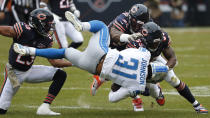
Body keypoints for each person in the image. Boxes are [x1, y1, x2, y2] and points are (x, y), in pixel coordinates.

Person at [13, 11, 169, 109]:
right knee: (65, 52)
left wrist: (127, 37)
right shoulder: (136, 85)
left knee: (101, 26)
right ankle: (30, 50)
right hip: (91, 67)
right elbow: (112, 98)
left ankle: (81, 25)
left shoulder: (144, 55)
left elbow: (130, 51)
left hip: (102, 54)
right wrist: (132, 91)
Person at [108, 19, 208, 114]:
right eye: (153, 43)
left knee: (174, 80)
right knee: (119, 92)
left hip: (155, 59)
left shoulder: (163, 38)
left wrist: (165, 68)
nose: (155, 45)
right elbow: (129, 69)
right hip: (138, 66)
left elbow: (172, 58)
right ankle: (147, 93)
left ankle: (197, 105)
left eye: (157, 43)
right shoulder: (134, 45)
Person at [91, 3, 165, 112]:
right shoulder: (124, 18)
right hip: (111, 46)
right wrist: (127, 37)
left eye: (137, 21)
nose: (134, 23)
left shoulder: (148, 25)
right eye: (133, 19)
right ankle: (103, 78)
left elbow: (154, 39)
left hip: (129, 49)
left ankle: (103, 78)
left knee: (133, 73)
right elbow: (113, 33)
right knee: (125, 76)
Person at [0, 8, 72, 115]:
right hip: (13, 73)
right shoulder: (23, 30)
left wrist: (74, 62)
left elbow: (54, 62)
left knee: (60, 74)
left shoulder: (46, 39)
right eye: (47, 25)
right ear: (39, 23)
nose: (49, 28)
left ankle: (45, 106)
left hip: (29, 71)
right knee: (1, 110)